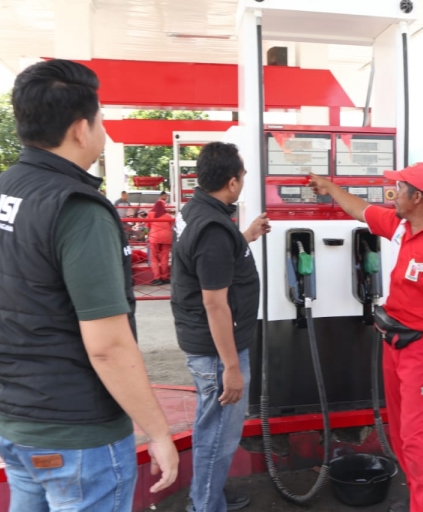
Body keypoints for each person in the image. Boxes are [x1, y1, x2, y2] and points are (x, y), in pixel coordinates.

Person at [0, 59, 179, 511]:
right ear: (81, 129)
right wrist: (159, 432)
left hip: (12, 419)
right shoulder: (79, 210)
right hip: (77, 435)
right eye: (101, 119)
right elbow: (108, 346)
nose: (103, 130)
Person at [309, 163, 423, 512]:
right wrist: (330, 188)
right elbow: (362, 210)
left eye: (399, 189)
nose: (393, 194)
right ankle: (419, 501)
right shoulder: (402, 227)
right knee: (401, 433)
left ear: (417, 198)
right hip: (395, 344)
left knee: (418, 438)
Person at [171, 142, 270, 512]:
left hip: (206, 345)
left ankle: (205, 496)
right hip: (217, 354)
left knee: (209, 429)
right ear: (231, 182)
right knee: (219, 438)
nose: (242, 182)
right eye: (242, 176)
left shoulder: (197, 211)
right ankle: (205, 506)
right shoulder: (212, 228)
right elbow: (215, 303)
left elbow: (209, 260)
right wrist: (231, 367)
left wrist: (245, 236)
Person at [148, 197, 173, 285]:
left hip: (154, 237)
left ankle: (157, 278)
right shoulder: (168, 215)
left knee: (154, 258)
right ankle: (165, 277)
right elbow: (171, 225)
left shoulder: (151, 214)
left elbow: (148, 225)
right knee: (164, 257)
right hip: (167, 238)